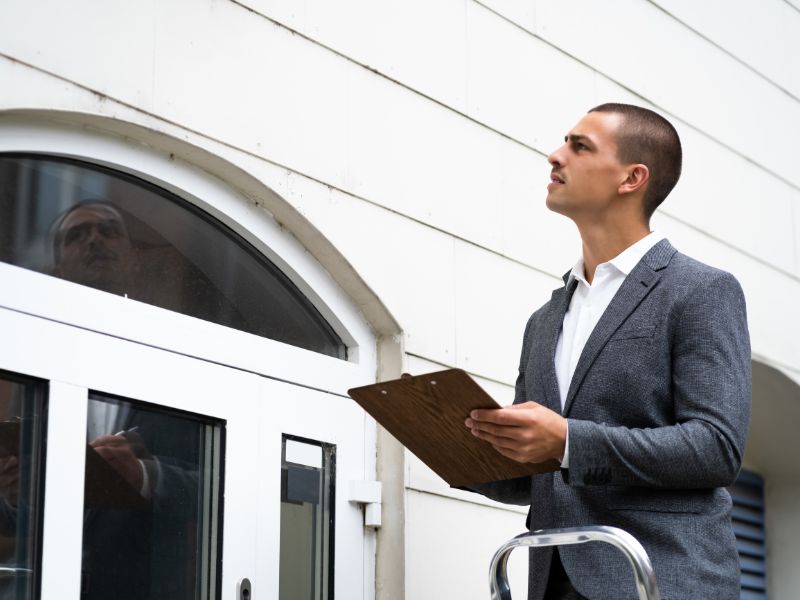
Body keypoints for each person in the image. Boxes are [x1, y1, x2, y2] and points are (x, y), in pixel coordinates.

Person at [464, 104, 751, 599]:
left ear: (631, 178)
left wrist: (569, 441)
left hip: (658, 578)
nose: (555, 156)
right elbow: (538, 473)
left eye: (579, 147)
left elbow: (715, 448)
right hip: (551, 579)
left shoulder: (701, 291)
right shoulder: (545, 320)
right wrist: (459, 448)